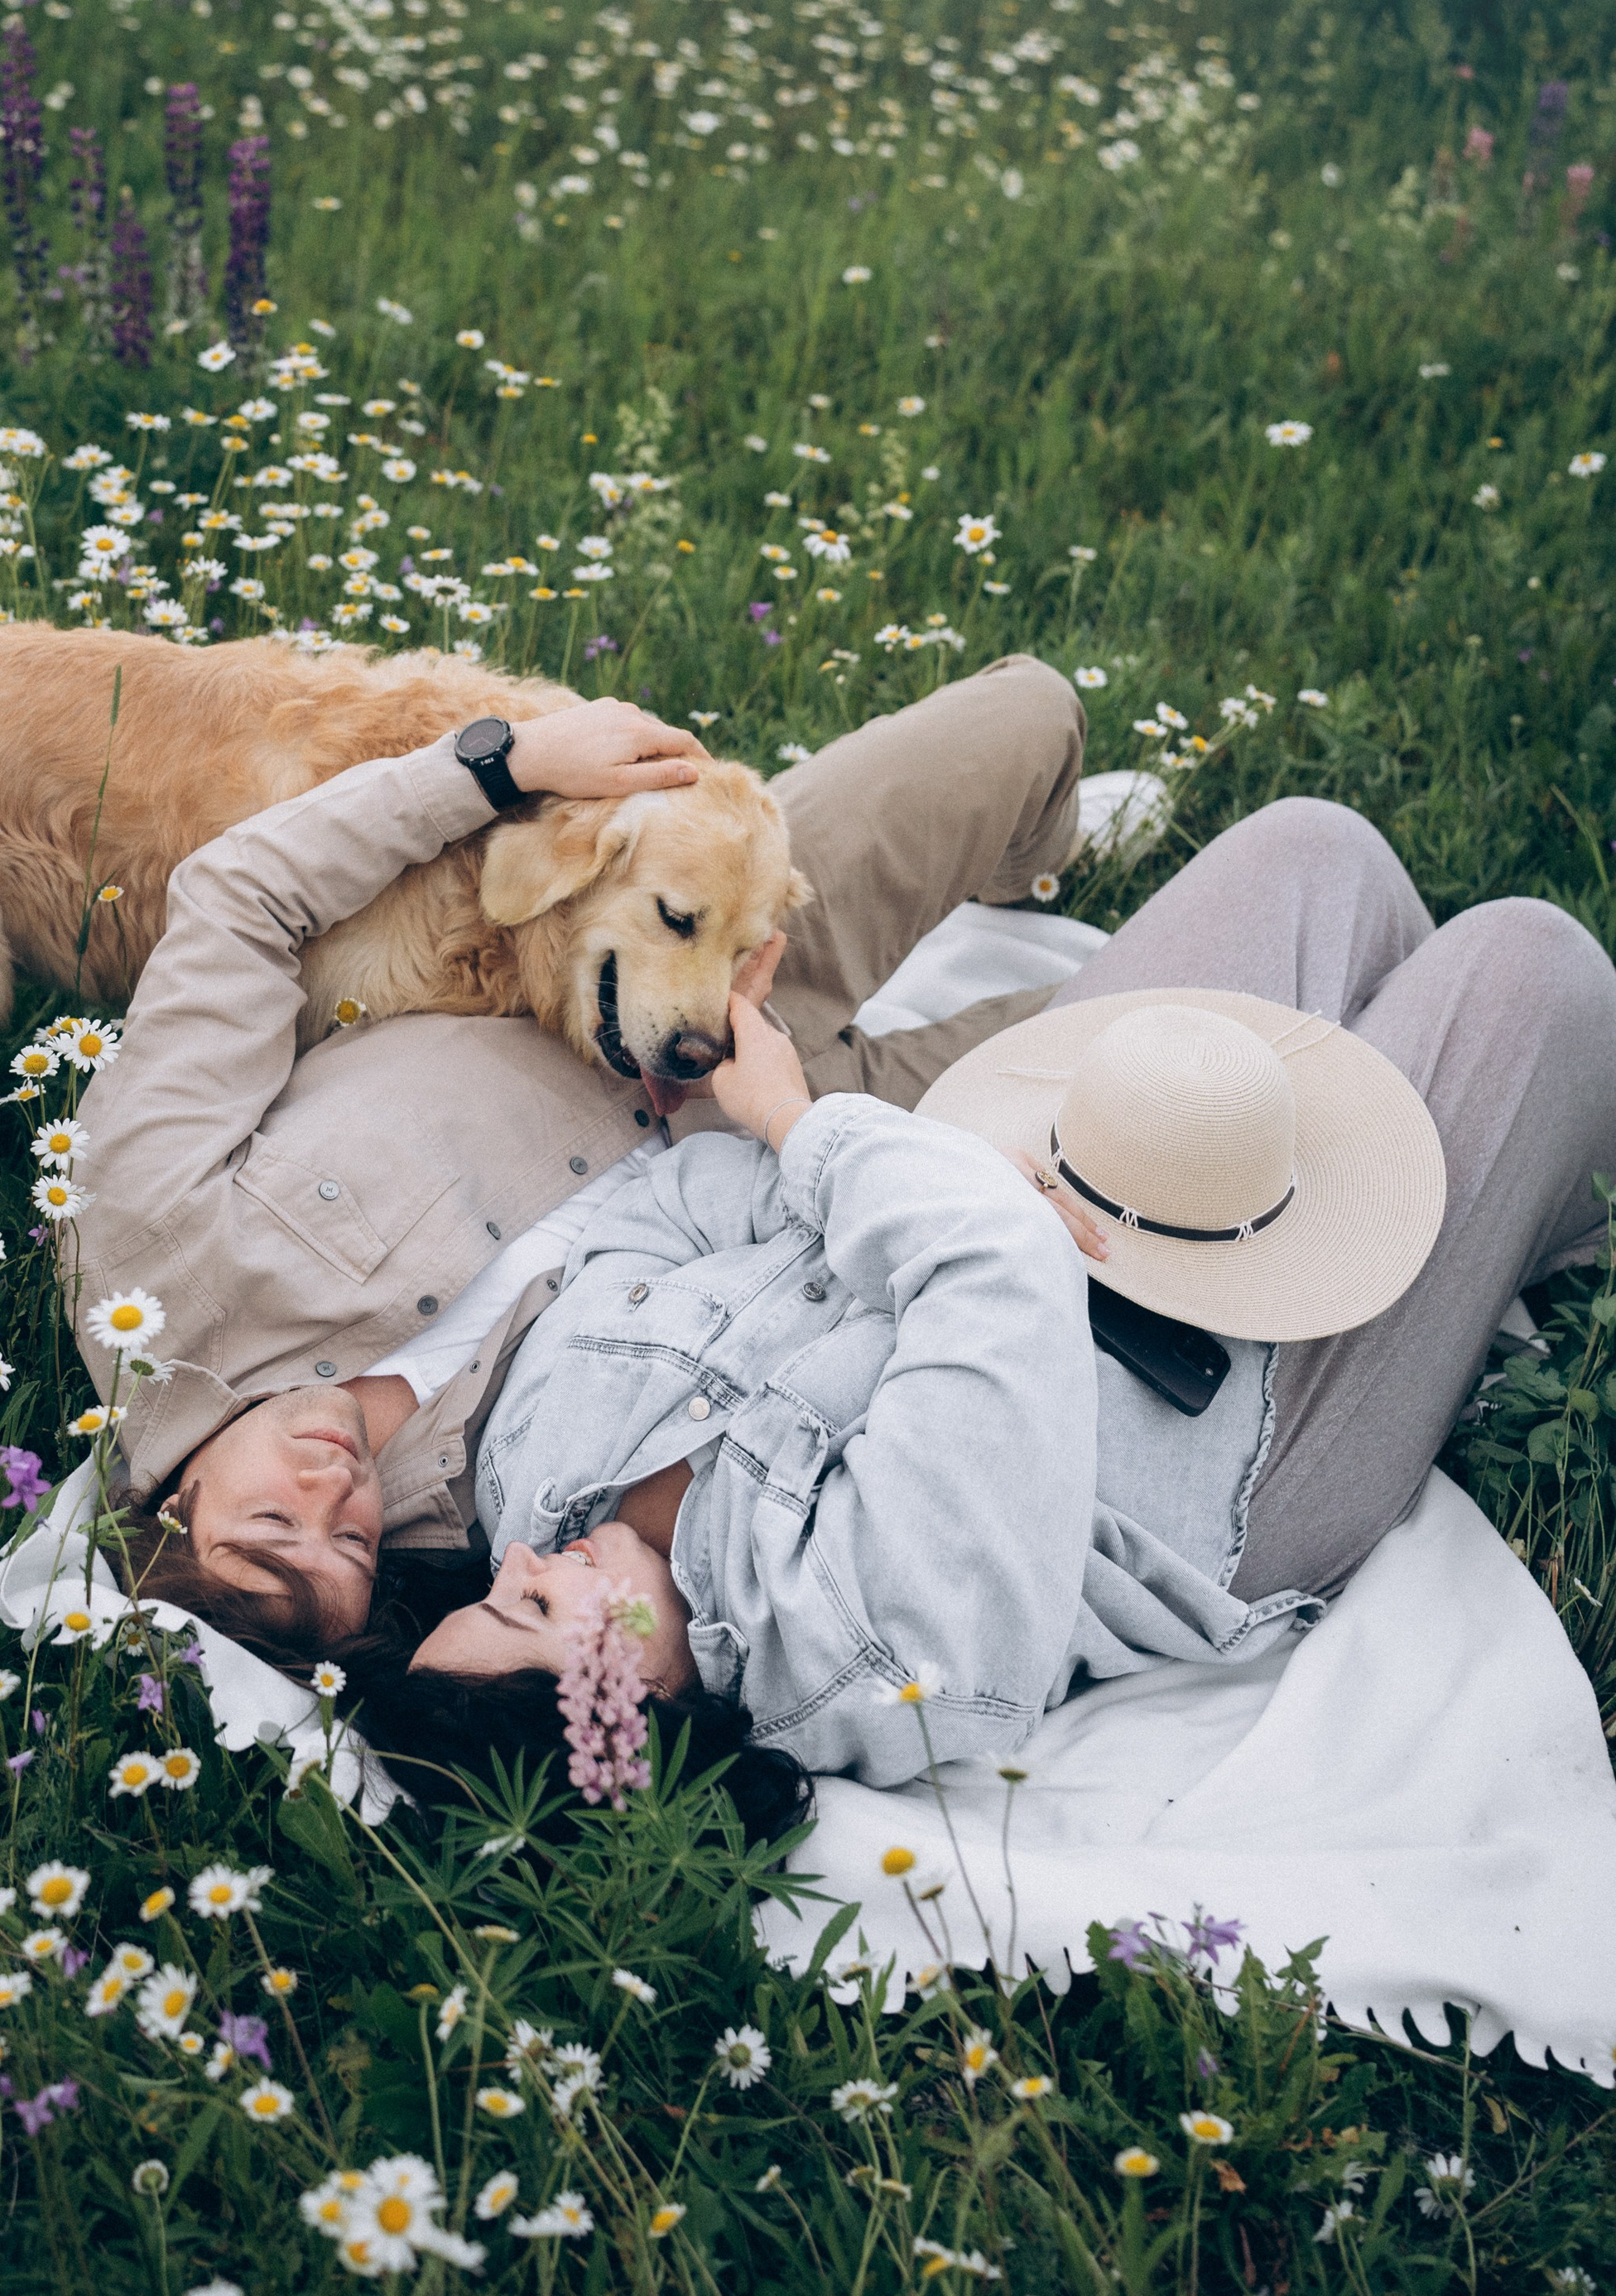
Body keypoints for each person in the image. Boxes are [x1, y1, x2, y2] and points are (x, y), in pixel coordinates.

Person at [78, 672, 1616, 1826]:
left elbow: (659, 1229)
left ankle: (1484, 1201)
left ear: (154, 1494)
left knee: (1308, 852)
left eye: (276, 1520)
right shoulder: (844, 1642)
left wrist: (505, 775)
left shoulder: (466, 1445)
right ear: (649, 1709)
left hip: (798, 1105)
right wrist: (842, 1154)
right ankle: (1496, 1204)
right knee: (1526, 967)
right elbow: (993, 1295)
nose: (339, 1496)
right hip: (1192, 1400)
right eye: (357, 1554)